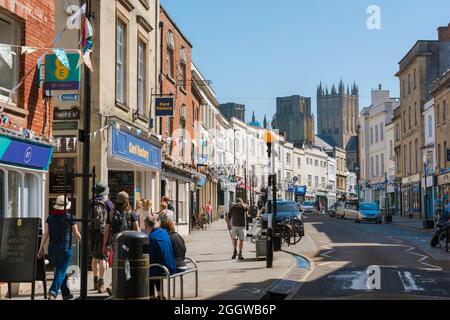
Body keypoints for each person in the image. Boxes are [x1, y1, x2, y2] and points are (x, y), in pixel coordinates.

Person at [38, 196, 81, 300]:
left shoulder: (50, 218)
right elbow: (76, 234)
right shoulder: (70, 217)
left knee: (61, 270)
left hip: (52, 249)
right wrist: (81, 238)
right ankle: (53, 292)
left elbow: (45, 234)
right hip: (65, 248)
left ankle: (66, 294)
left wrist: (41, 248)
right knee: (61, 271)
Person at [102, 191, 139, 295]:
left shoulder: (111, 214)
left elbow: (107, 231)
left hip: (116, 243)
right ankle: (117, 285)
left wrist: (104, 245)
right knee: (127, 263)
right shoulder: (131, 214)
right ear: (127, 200)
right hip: (128, 244)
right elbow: (137, 231)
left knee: (118, 264)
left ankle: (115, 285)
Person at [88, 182, 114, 293]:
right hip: (104, 233)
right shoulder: (108, 203)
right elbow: (112, 219)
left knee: (94, 257)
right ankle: (101, 284)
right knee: (103, 258)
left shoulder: (91, 202)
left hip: (93, 232)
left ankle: (95, 280)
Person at [144, 215, 177, 300]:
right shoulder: (164, 232)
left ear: (146, 226)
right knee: (154, 265)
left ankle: (151, 295)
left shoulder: (151, 237)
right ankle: (160, 292)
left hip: (162, 269)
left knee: (147, 268)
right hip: (172, 266)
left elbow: (150, 257)